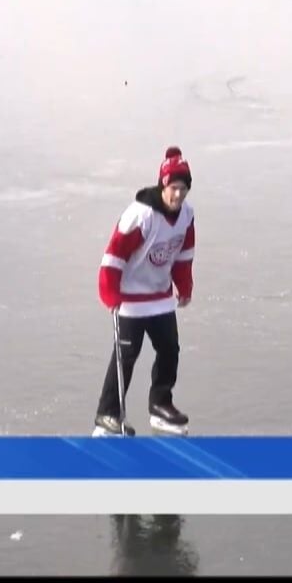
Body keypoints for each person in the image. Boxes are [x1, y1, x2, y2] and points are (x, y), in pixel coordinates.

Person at [94, 146, 196, 435]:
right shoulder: (140, 216)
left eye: (183, 190)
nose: (178, 195)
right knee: (126, 356)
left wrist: (184, 286)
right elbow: (113, 256)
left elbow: (184, 253)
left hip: (160, 297)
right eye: (174, 188)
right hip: (129, 298)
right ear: (163, 185)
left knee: (169, 350)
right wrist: (110, 293)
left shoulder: (187, 215)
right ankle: (108, 414)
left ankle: (161, 405)